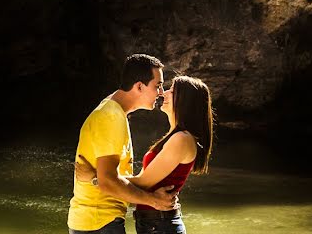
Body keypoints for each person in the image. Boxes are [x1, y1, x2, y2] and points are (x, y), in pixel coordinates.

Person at [76, 75, 214, 234]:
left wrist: (96, 177)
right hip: (155, 223)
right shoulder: (175, 137)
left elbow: (143, 183)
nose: (164, 93)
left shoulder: (181, 140)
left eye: (172, 91)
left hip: (160, 225)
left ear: (186, 102)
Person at [67, 54, 179, 234]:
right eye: (157, 86)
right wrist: (153, 201)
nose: (160, 93)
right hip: (99, 222)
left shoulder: (113, 110)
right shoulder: (111, 116)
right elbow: (108, 182)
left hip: (98, 222)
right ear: (139, 86)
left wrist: (96, 178)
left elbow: (107, 179)